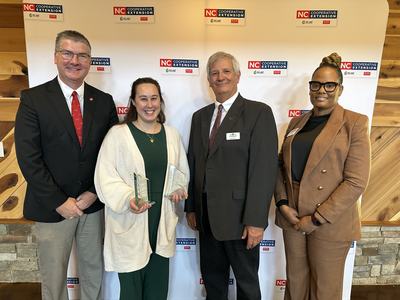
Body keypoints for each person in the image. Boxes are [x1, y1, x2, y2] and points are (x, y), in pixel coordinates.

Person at [14, 30, 118, 300]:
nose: (75, 60)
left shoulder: (103, 101)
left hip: (92, 205)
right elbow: (29, 157)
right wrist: (60, 200)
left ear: (90, 61)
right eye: (68, 53)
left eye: (82, 55)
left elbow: (111, 155)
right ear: (56, 57)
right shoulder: (33, 99)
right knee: (54, 275)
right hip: (52, 206)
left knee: (93, 271)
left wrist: (95, 192)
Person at [274, 53, 371, 300]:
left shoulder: (354, 123)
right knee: (295, 286)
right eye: (315, 84)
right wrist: (283, 203)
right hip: (293, 216)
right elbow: (279, 167)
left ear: (340, 88)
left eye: (329, 85)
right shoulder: (297, 122)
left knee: (324, 291)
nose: (321, 90)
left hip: (329, 220)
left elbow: (356, 181)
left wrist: (317, 218)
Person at [185, 51, 278, 300]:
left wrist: (256, 220)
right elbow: (194, 162)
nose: (220, 77)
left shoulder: (259, 113)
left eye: (226, 71)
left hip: (241, 221)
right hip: (206, 219)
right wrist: (191, 207)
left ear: (238, 75)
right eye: (214, 73)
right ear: (209, 80)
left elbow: (264, 170)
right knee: (214, 284)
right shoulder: (200, 117)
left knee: (247, 285)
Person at [94, 77, 189, 300]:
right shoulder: (118, 134)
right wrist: (128, 198)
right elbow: (104, 176)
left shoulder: (172, 135)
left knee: (157, 291)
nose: (149, 104)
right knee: (131, 291)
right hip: (130, 219)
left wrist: (178, 188)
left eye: (154, 98)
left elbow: (181, 173)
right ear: (133, 103)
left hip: (161, 221)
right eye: (143, 98)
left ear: (160, 101)